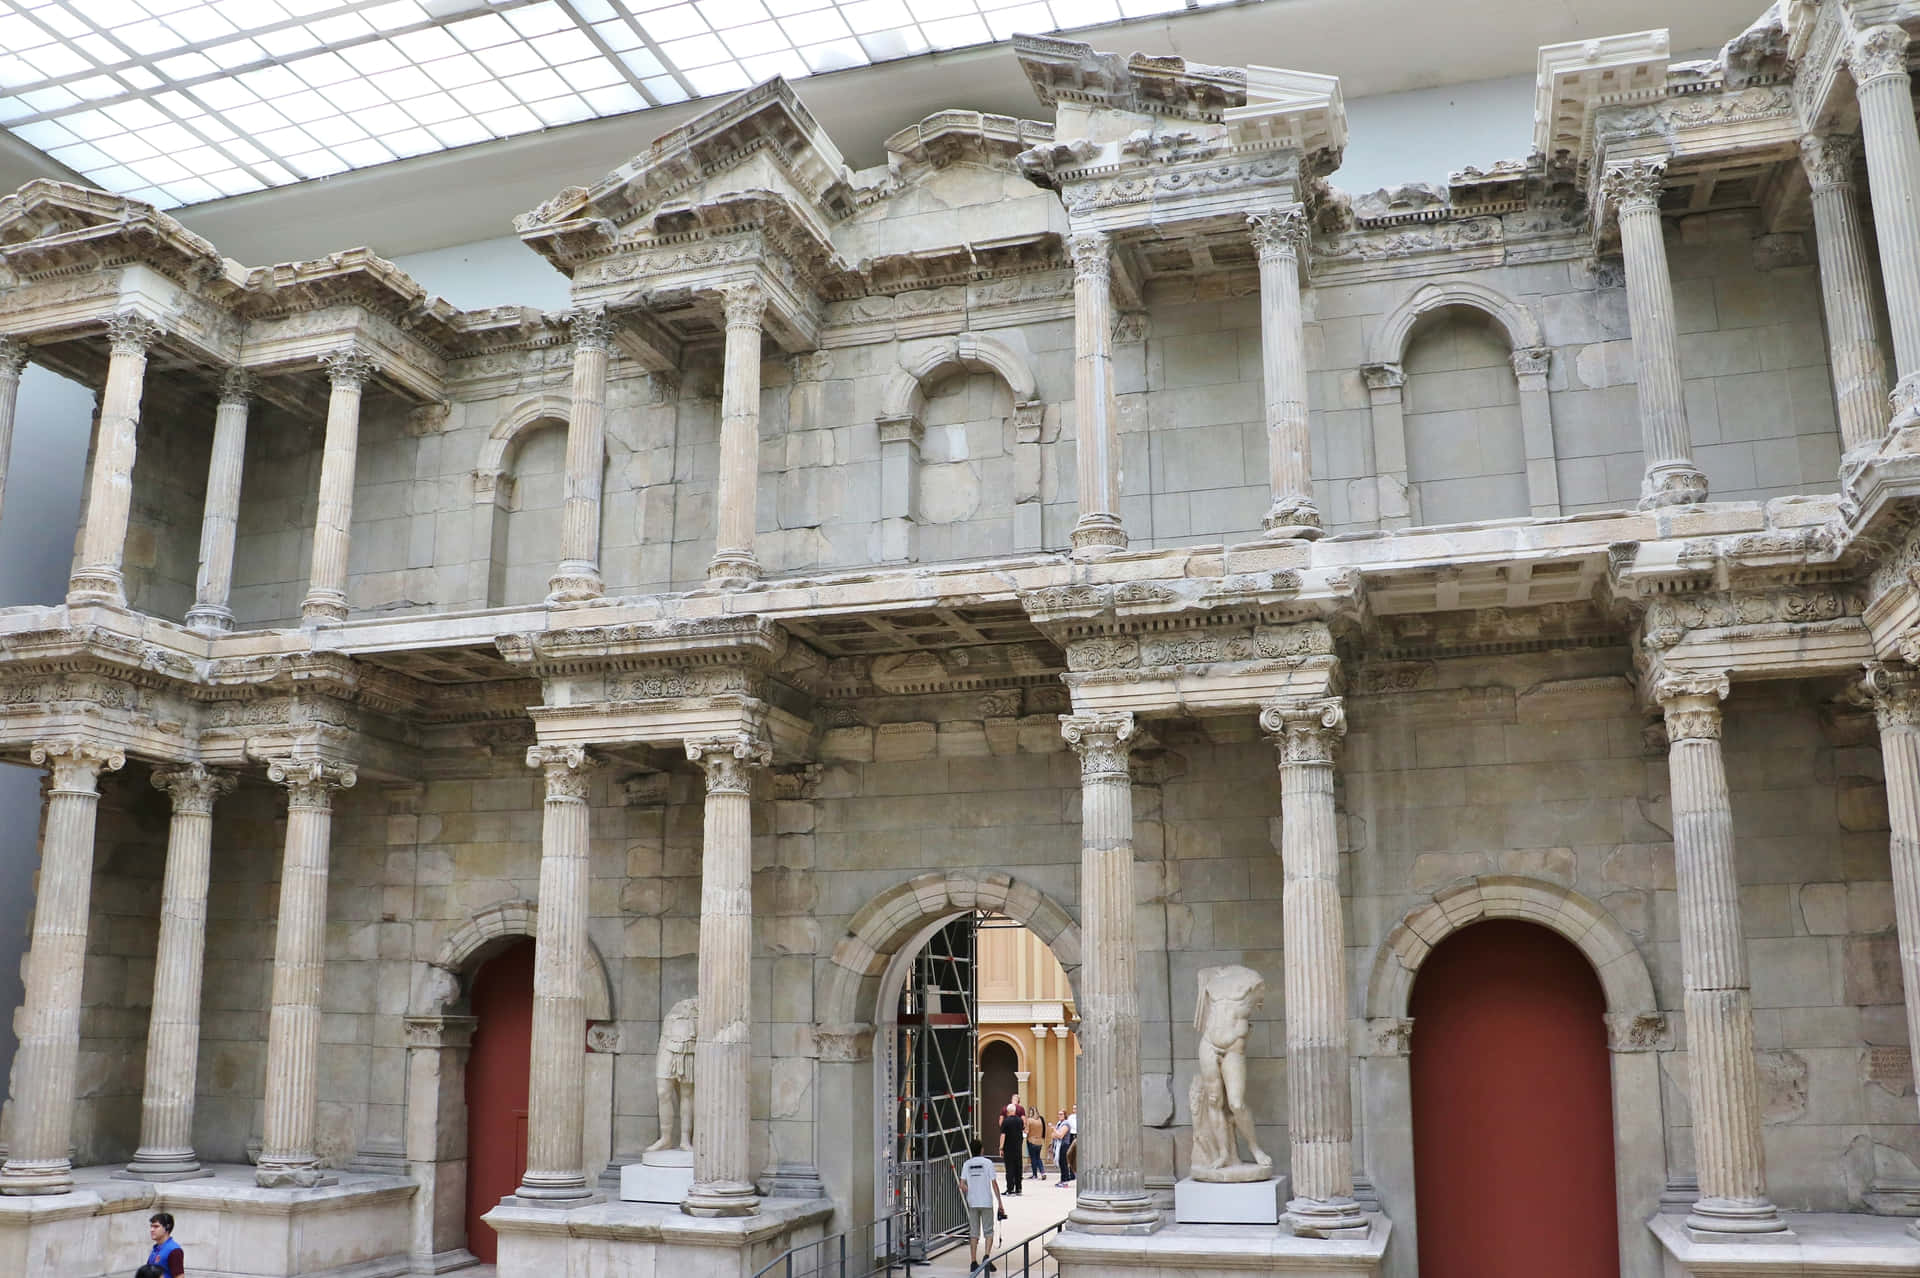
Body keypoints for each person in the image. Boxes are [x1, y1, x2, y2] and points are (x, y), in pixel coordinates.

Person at [956, 1138, 1004, 1275]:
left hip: (973, 1202)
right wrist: (1000, 1202)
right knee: (988, 1231)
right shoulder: (988, 1163)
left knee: (974, 1233)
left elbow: (961, 1185)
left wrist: (970, 1191)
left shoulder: (967, 1164)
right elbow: (994, 1184)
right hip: (986, 1202)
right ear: (982, 1150)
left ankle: (973, 1261)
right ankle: (987, 1257)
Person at [998, 1101, 1025, 1195]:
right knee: (1018, 1168)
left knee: (1009, 1168)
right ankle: (1018, 1188)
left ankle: (1010, 1189)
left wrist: (1001, 1148)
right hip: (1018, 1148)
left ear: (1008, 1111)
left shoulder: (1006, 1121)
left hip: (1008, 1148)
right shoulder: (1020, 1121)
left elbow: (1003, 1135)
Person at [1023, 1107, 1046, 1180]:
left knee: (1033, 1158)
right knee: (1038, 1157)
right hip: (1040, 1142)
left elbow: (1027, 1131)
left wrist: (1023, 1130)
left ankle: (1034, 1174)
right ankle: (1043, 1172)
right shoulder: (1041, 1120)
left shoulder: (1029, 1120)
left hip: (1031, 1141)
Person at [1056, 1107, 1077, 1186]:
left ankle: (1065, 1180)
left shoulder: (1066, 1123)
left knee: (1064, 1162)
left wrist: (1054, 1130)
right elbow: (1054, 1135)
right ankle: (1063, 1179)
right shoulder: (1059, 1123)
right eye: (1059, 1114)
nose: (1059, 1115)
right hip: (1059, 1144)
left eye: (1061, 1114)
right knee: (1061, 1162)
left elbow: (1060, 1135)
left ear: (1065, 1115)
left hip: (1064, 1144)